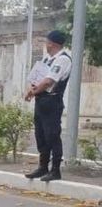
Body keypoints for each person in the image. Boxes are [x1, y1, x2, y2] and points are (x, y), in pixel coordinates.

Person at [25, 30, 72, 182]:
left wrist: (33, 92)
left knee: (52, 136)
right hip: (41, 101)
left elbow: (48, 81)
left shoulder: (63, 60)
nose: (46, 44)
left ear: (52, 43)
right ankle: (43, 167)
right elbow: (38, 77)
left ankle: (55, 170)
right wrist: (32, 89)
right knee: (41, 135)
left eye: (47, 41)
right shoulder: (47, 59)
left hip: (52, 101)